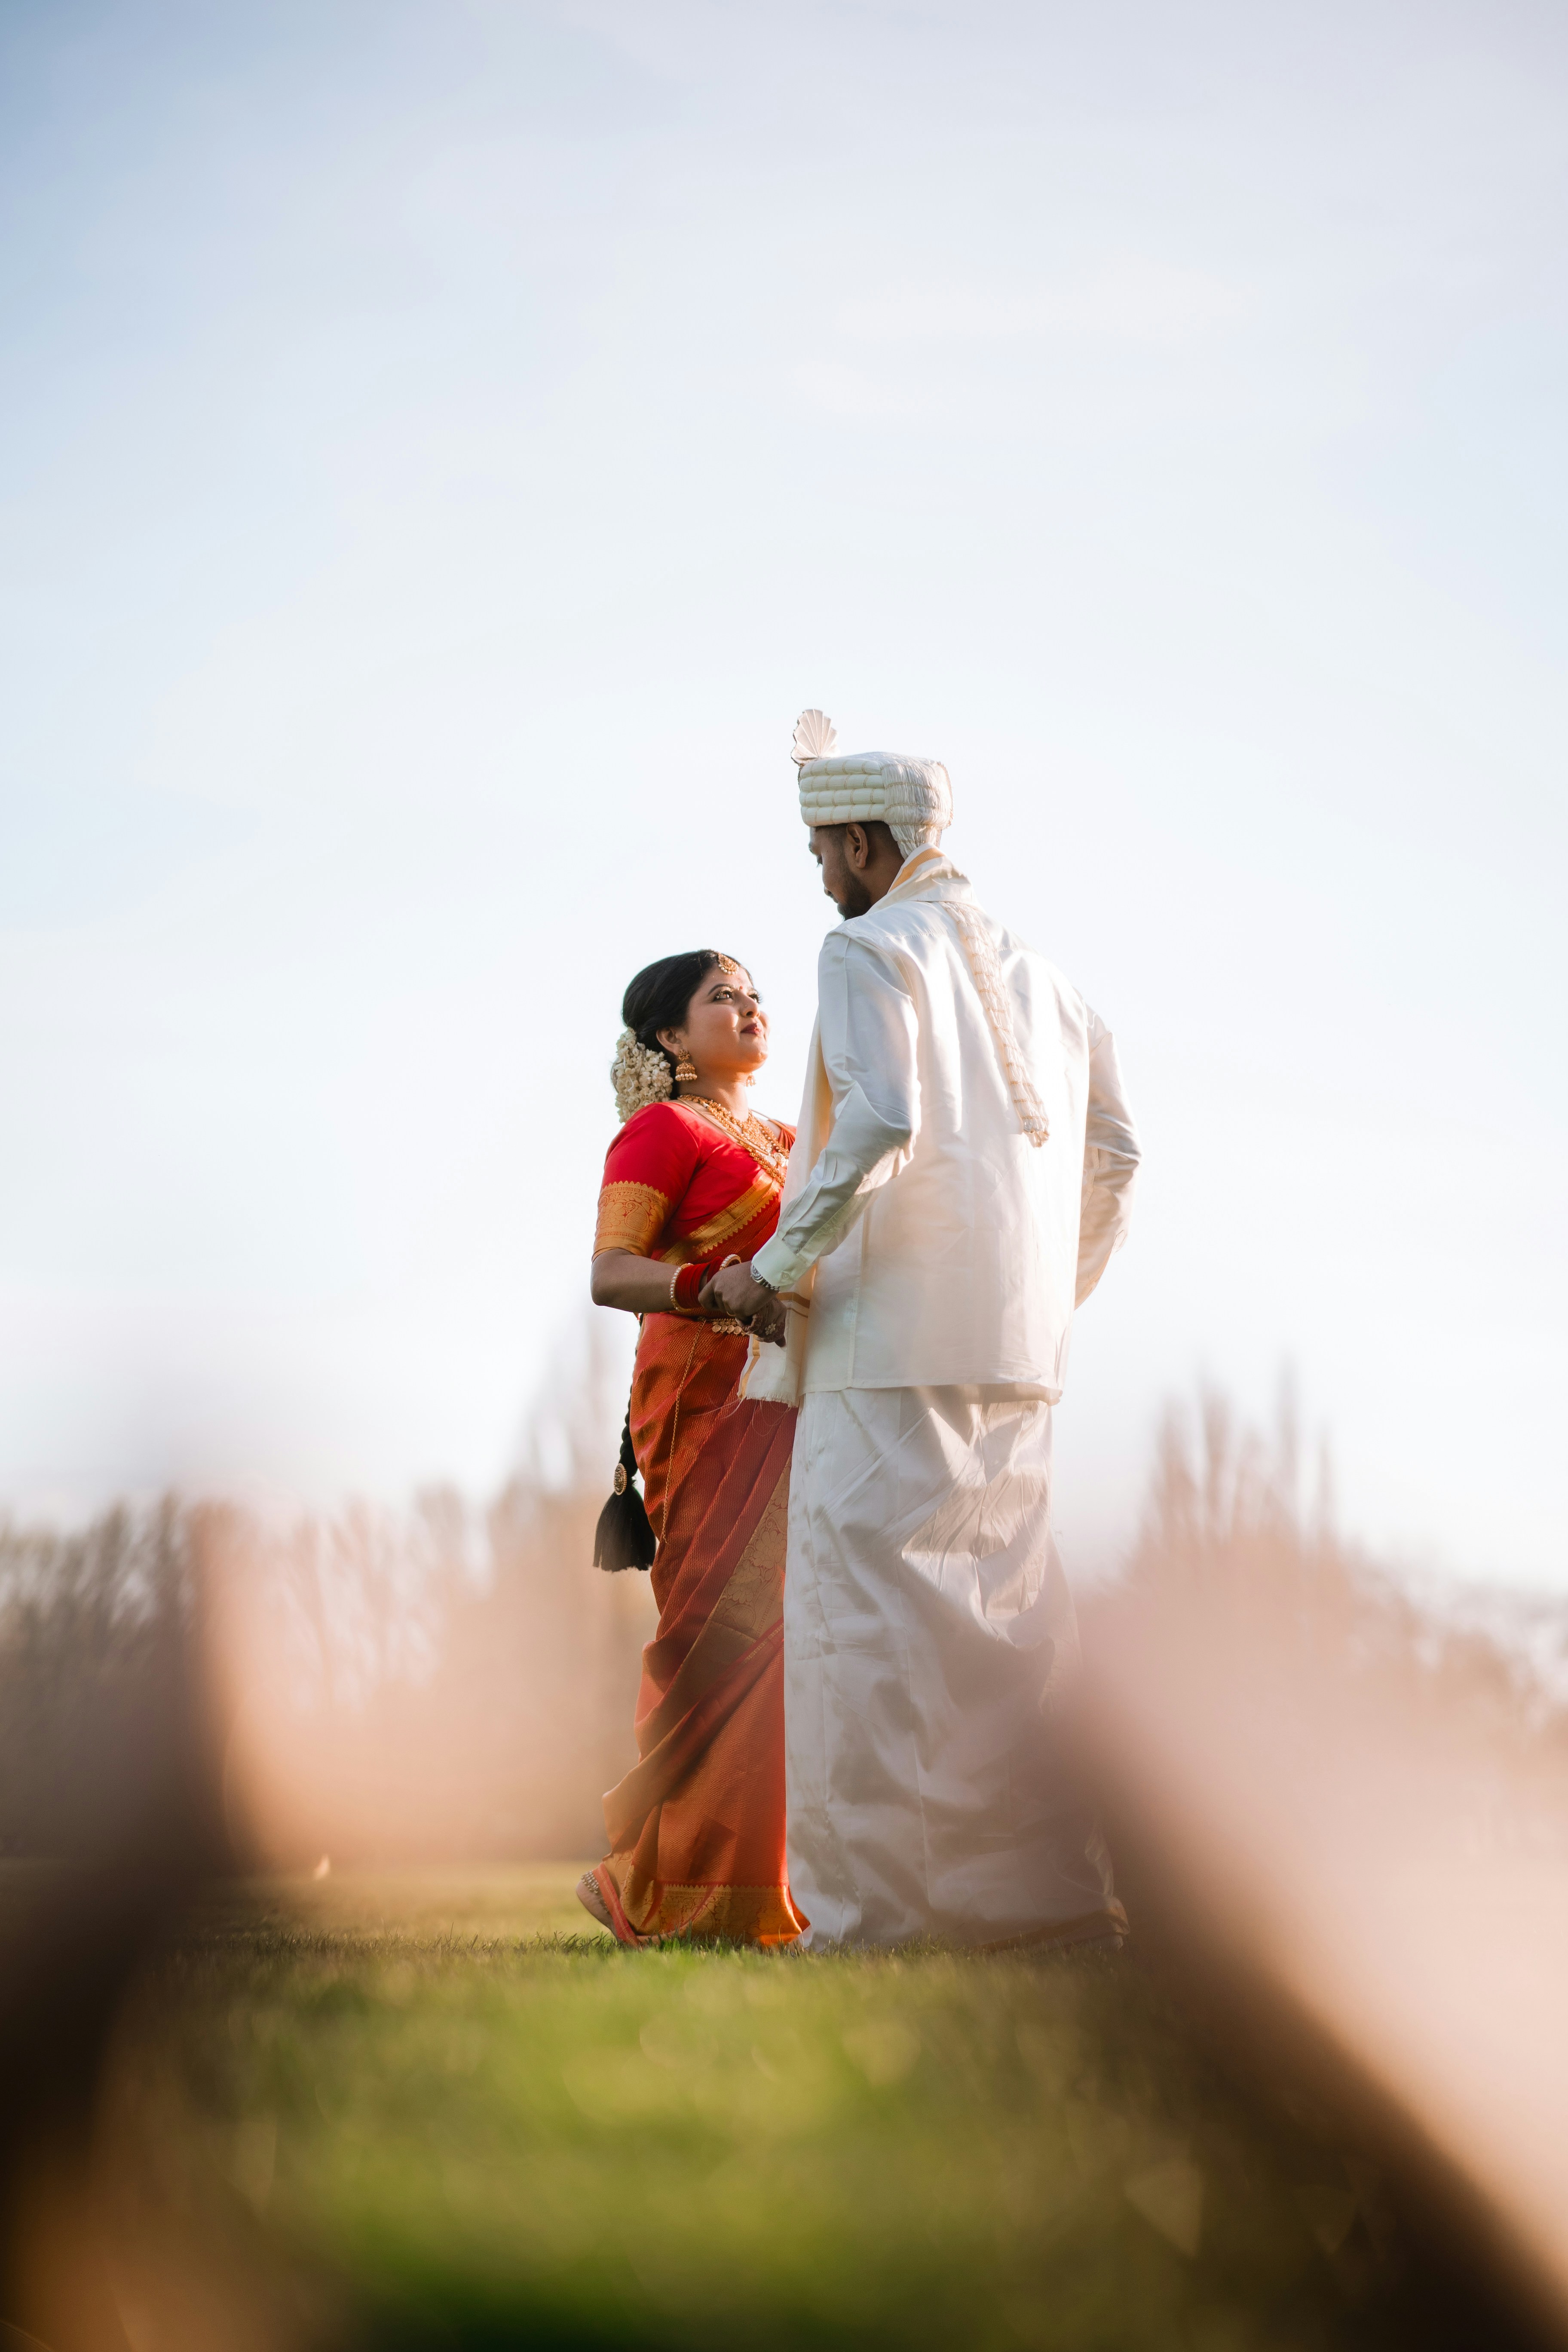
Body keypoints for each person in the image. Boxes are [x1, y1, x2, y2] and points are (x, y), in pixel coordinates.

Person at [711, 711, 1141, 1948]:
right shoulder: (1050, 978)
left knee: (860, 1638)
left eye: (819, 853)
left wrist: (779, 1267)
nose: (818, 877)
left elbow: (883, 1118)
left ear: (859, 840)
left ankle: (869, 1921)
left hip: (880, 1343)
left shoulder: (866, 953)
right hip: (1018, 1358)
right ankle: (1041, 1904)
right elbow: (1118, 1154)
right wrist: (1047, 1295)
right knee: (1008, 1638)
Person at [578, 949, 807, 1947]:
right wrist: (705, 1286)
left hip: (795, 1403)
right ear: (671, 1037)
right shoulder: (662, 1130)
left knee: (789, 1650)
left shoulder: (795, 1139)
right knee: (719, 1646)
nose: (750, 1008)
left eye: (755, 994)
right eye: (724, 997)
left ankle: (762, 1892)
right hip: (703, 1401)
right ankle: (663, 1887)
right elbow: (609, 1274)